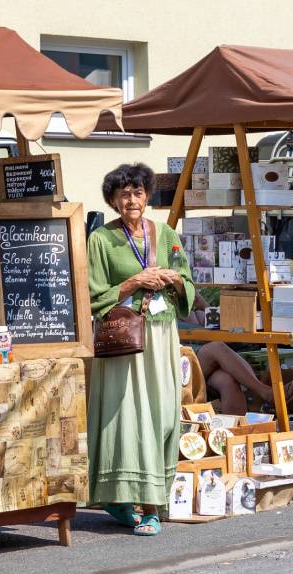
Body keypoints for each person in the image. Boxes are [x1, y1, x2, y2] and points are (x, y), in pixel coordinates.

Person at [87, 163, 195, 536]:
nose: (131, 200)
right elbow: (93, 295)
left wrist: (174, 279)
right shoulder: (101, 239)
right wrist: (134, 282)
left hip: (163, 336)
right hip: (124, 340)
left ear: (147, 196)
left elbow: (188, 279)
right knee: (128, 419)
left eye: (137, 192)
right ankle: (135, 503)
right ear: (113, 200)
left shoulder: (165, 234)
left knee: (163, 414)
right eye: (123, 194)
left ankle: (155, 496)